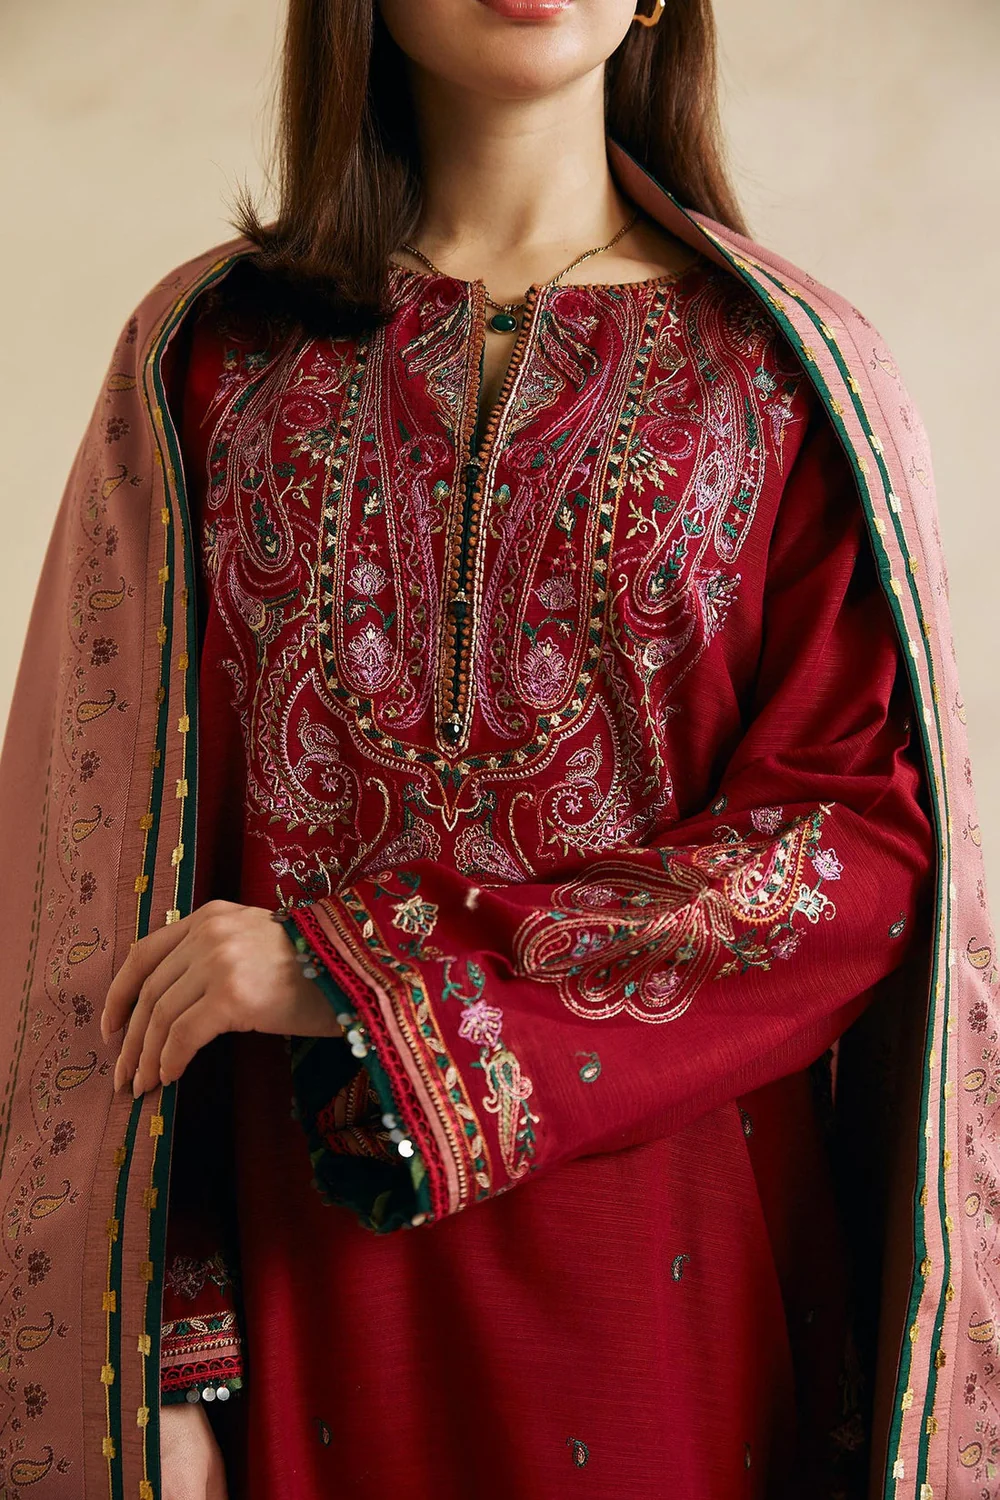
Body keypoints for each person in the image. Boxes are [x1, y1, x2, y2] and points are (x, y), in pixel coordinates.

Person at [0, 1, 996, 1497]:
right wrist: (161, 1353)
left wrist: (368, 974)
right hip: (302, 1297)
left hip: (675, 1298)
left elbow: (851, 857)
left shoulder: (787, 373)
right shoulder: (209, 357)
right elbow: (89, 889)